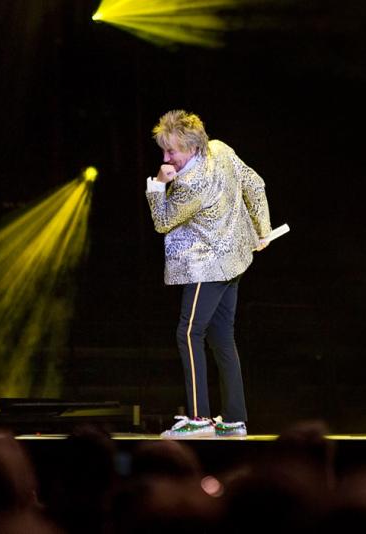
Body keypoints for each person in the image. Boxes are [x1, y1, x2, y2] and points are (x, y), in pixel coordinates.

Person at [145, 109, 272, 439]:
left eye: (171, 151)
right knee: (221, 336)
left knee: (188, 334)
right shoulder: (221, 149)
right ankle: (234, 419)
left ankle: (198, 418)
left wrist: (157, 184)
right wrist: (263, 231)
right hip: (235, 259)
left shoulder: (190, 184)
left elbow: (162, 222)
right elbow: (255, 184)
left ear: (191, 147)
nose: (166, 158)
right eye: (163, 150)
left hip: (207, 266)